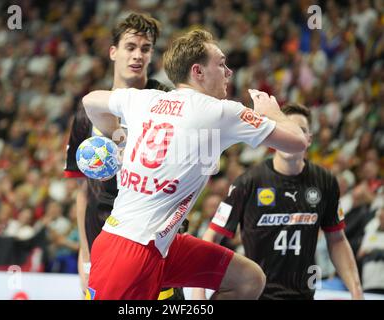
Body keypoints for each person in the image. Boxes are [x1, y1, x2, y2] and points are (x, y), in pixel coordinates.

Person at [81, 29, 307, 300]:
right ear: (198, 72)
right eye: (221, 64)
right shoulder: (221, 112)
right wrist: (273, 113)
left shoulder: (142, 99)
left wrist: (116, 136)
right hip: (127, 251)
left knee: (247, 279)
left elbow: (90, 101)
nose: (229, 72)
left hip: (157, 244)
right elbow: (297, 142)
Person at [63, 13, 184, 300]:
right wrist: (85, 252)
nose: (137, 55)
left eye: (145, 48)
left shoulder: (167, 101)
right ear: (113, 52)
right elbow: (84, 190)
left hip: (154, 238)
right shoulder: (89, 109)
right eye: (130, 47)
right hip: (103, 242)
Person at [194, 103, 364, 300]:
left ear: (308, 139)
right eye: (285, 130)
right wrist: (199, 294)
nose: (292, 136)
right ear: (275, 137)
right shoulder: (249, 181)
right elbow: (211, 237)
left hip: (302, 295)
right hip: (256, 295)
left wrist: (356, 291)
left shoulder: (324, 181)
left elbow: (337, 239)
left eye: (299, 131)